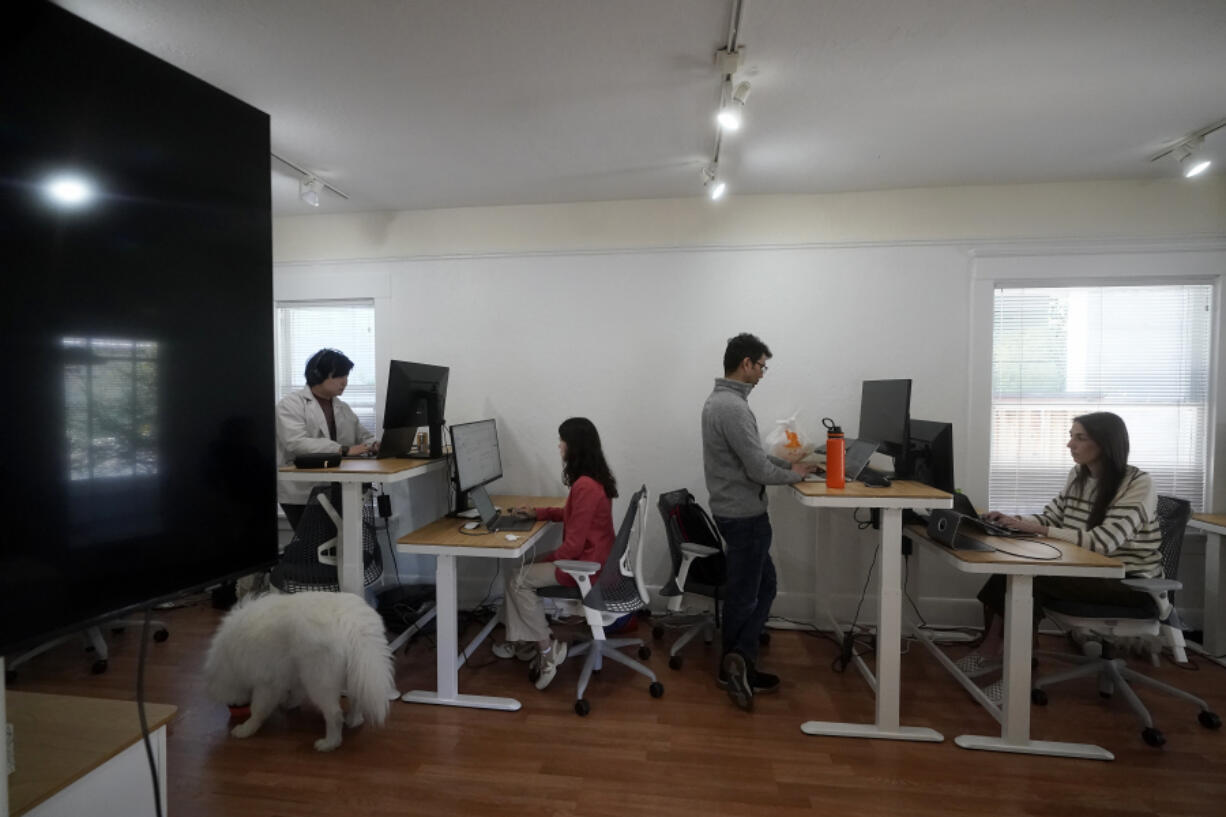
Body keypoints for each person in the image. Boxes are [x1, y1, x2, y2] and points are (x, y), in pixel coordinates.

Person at [959, 411, 1163, 702]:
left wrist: (1036, 528)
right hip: (1087, 572)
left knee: (1029, 581)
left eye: (1080, 438)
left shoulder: (1138, 483)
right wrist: (1011, 520)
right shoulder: (1078, 477)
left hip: (1130, 583)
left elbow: (1103, 543)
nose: (1070, 444)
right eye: (1071, 436)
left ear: (1105, 444)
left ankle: (1017, 675)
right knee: (1008, 570)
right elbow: (1051, 517)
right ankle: (992, 651)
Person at [702, 333, 817, 711]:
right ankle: (736, 664)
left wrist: (793, 466)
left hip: (736, 512)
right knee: (748, 594)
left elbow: (754, 460)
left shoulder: (723, 403)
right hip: (744, 516)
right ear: (746, 363)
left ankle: (739, 658)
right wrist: (796, 476)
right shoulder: (731, 408)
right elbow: (756, 468)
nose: (764, 373)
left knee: (760, 587)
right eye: (762, 366)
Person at [493, 417, 618, 691]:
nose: (559, 445)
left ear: (575, 447)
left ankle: (547, 652)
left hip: (585, 568)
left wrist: (540, 559)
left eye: (563, 440)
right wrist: (538, 513)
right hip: (596, 561)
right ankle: (525, 642)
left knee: (518, 577)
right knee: (520, 570)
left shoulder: (584, 485)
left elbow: (571, 549)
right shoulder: (595, 480)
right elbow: (572, 515)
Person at [275, 348, 377, 529]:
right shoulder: (291, 404)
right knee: (313, 550)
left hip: (336, 487)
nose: (345, 382)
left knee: (339, 546)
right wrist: (342, 449)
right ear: (317, 375)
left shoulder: (342, 407)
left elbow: (363, 436)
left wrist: (373, 444)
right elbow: (296, 443)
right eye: (339, 376)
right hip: (301, 492)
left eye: (346, 376)